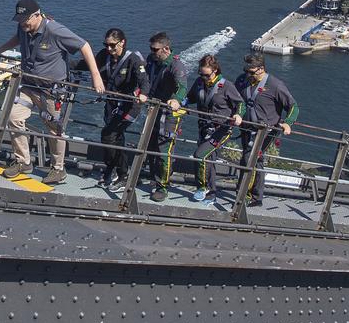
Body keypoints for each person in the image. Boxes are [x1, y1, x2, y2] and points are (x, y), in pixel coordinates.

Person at [0, 0, 105, 185]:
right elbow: (18, 38)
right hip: (28, 85)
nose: (22, 23)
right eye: (19, 20)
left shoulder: (55, 30)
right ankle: (23, 161)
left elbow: (84, 45)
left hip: (51, 91)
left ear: (37, 15)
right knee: (12, 116)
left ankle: (58, 169)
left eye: (25, 19)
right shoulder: (24, 27)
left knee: (54, 129)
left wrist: (96, 76)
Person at [231, 53, 299, 206]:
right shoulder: (242, 80)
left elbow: (293, 107)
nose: (248, 75)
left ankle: (242, 195)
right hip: (246, 128)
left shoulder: (276, 85)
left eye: (251, 72)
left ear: (261, 69)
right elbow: (235, 98)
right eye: (246, 71)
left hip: (265, 131)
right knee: (255, 160)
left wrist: (288, 123)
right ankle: (255, 196)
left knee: (249, 158)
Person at [181, 54, 243, 203]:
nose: (204, 77)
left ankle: (202, 187)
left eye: (206, 75)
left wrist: (239, 115)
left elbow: (240, 104)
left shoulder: (227, 86)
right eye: (201, 74)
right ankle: (212, 193)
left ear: (215, 71)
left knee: (200, 155)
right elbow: (189, 98)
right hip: (203, 127)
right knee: (209, 160)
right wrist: (181, 103)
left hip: (220, 130)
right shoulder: (199, 82)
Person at [92, 28, 148, 191]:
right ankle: (113, 169)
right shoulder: (104, 55)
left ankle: (123, 174)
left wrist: (143, 94)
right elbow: (90, 66)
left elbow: (144, 81)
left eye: (112, 45)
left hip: (130, 105)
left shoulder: (133, 60)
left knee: (108, 135)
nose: (108, 48)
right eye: (106, 45)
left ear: (122, 42)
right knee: (117, 137)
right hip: (112, 104)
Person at [143, 32, 188, 202]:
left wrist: (176, 100)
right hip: (154, 108)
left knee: (164, 150)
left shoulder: (176, 66)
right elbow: (146, 78)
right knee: (151, 145)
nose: (152, 52)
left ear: (166, 49)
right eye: (151, 49)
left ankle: (163, 186)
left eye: (155, 50)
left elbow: (182, 87)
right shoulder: (152, 60)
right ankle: (153, 179)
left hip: (169, 114)